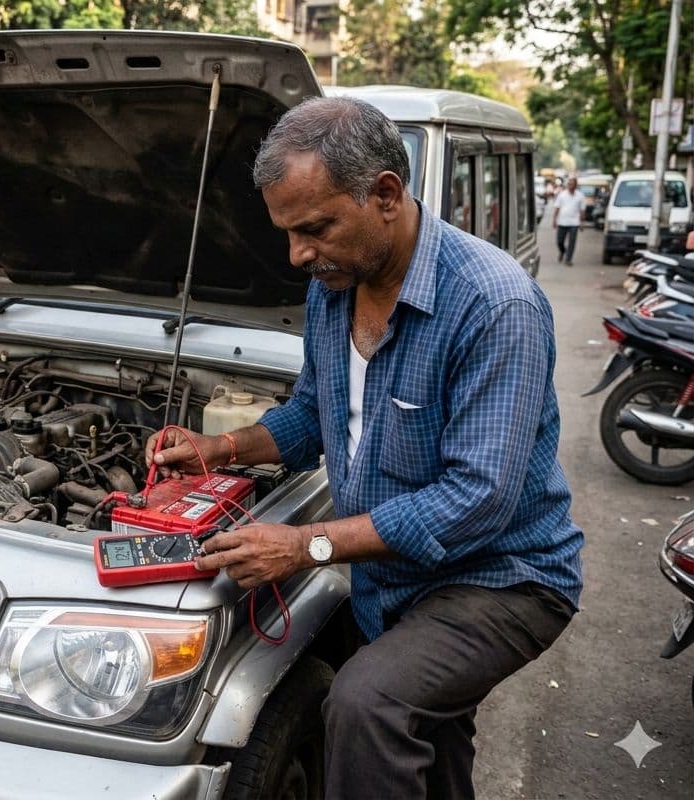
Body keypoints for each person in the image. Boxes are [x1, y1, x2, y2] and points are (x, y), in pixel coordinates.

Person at [146, 97, 583, 799]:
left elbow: (478, 499)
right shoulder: (333, 290)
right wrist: (218, 447)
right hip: (396, 576)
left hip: (501, 578)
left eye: (315, 228)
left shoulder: (496, 305)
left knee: (368, 703)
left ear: (384, 194)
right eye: (288, 233)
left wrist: (305, 545)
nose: (297, 255)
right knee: (431, 746)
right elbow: (312, 416)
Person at [553, 176, 583, 265]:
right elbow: (557, 207)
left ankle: (568, 259)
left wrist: (582, 222)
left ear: (575, 185)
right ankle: (563, 251)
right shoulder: (562, 195)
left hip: (574, 223)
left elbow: (582, 210)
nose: (571, 186)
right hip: (562, 222)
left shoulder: (580, 196)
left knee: (572, 242)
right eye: (569, 184)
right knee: (559, 241)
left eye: (572, 184)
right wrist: (554, 219)